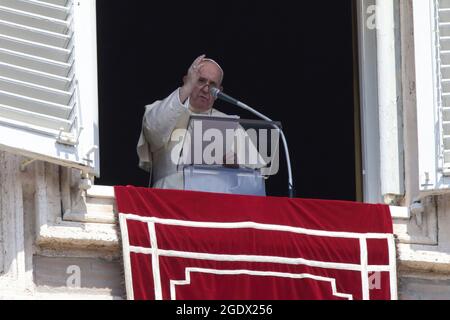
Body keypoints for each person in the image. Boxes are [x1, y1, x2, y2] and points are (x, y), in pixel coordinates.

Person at [137, 55, 232, 189]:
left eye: (212, 85)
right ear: (187, 80)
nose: (206, 89)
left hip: (214, 203)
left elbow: (256, 173)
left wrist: (236, 167)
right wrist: (186, 88)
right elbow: (153, 131)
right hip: (168, 198)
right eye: (200, 81)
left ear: (219, 91)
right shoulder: (163, 109)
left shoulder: (229, 123)